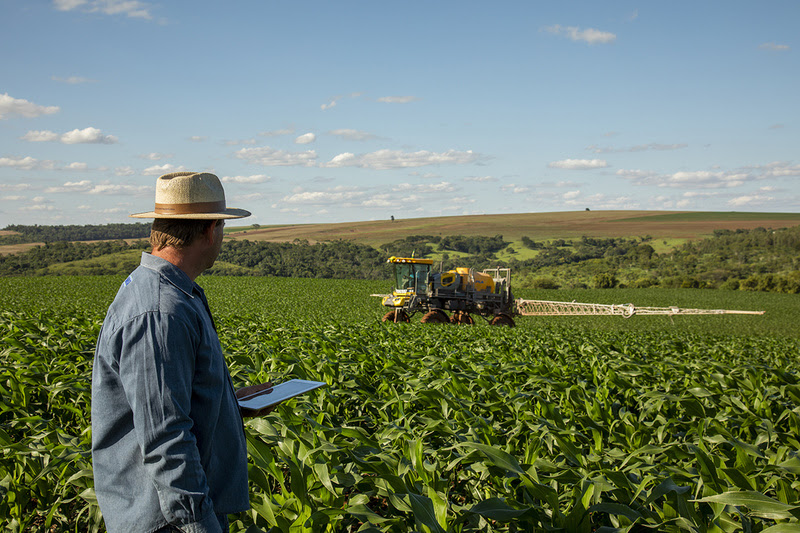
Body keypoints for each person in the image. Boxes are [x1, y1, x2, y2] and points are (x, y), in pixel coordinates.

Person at [92, 171, 272, 533]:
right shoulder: (159, 311)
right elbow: (165, 438)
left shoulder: (172, 294)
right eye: (221, 225)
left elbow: (165, 404)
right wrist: (198, 525)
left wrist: (227, 403)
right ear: (208, 231)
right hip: (167, 520)